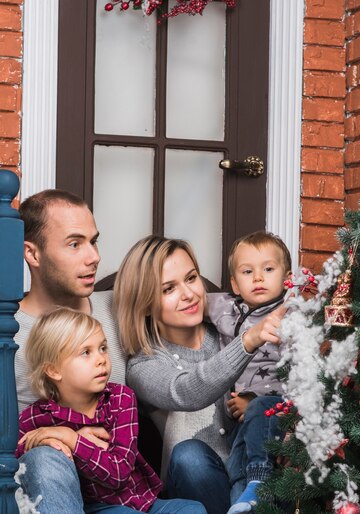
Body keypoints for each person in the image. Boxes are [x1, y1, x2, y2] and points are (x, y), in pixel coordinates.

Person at [113, 235, 287, 514]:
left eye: (191, 278)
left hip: (259, 470)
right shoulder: (144, 364)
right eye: (169, 288)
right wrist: (247, 341)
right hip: (202, 486)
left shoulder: (228, 329)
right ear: (144, 302)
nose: (188, 294)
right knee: (188, 455)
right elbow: (187, 390)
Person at [17, 308, 207, 514]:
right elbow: (12, 461)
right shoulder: (37, 416)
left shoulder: (120, 398)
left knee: (193, 508)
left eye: (103, 348)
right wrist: (43, 443)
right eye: (85, 352)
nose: (101, 359)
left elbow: (119, 472)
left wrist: (72, 440)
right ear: (53, 370)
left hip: (142, 502)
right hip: (95, 508)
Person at [15, 189, 126, 513]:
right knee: (46, 460)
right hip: (42, 489)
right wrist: (54, 438)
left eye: (94, 241)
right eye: (75, 244)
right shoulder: (9, 329)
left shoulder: (118, 312)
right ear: (33, 254)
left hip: (117, 491)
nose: (93, 257)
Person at [206, 231, 292, 514]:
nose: (258, 278)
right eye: (247, 271)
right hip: (240, 420)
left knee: (259, 417)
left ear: (286, 277)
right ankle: (243, 500)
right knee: (237, 466)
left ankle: (260, 483)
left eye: (268, 269)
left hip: (276, 410)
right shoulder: (225, 309)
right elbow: (191, 299)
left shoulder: (290, 314)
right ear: (234, 283)